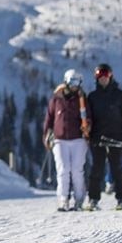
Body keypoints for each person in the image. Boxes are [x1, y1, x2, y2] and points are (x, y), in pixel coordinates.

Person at [84, 62, 122, 211]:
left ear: (110, 76)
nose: (103, 78)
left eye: (106, 75)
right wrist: (89, 135)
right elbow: (88, 118)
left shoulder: (121, 96)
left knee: (117, 170)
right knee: (96, 170)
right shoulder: (92, 97)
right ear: (96, 78)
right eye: (100, 75)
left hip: (116, 138)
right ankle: (93, 200)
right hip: (98, 139)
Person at [42, 68, 90, 212]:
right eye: (72, 81)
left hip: (78, 139)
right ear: (66, 82)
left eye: (78, 82)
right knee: (63, 169)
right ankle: (63, 199)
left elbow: (89, 116)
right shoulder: (57, 99)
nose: (75, 85)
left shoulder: (82, 99)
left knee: (76, 170)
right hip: (60, 139)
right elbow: (49, 118)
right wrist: (47, 135)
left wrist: (88, 127)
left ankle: (79, 199)